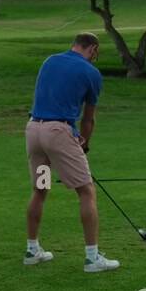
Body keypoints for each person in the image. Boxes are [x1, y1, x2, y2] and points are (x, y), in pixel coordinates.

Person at [23, 32, 120, 273]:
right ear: (94, 49)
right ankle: (92, 258)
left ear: (74, 45)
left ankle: (32, 250)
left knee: (41, 189)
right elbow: (89, 119)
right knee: (86, 191)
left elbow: (51, 97)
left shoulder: (50, 61)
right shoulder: (91, 73)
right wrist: (84, 144)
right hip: (57, 134)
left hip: (35, 131)